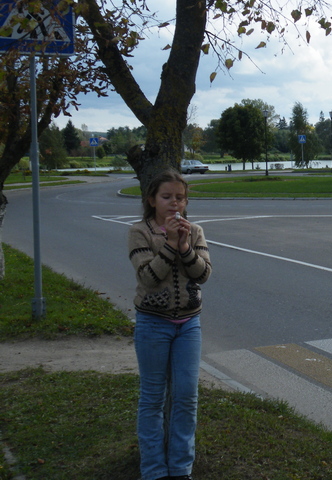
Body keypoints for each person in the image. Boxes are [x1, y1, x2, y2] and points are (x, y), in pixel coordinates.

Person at [128, 169, 212, 480]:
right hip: (153, 324)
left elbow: (203, 274)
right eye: (166, 197)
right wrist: (169, 244)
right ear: (152, 200)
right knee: (153, 397)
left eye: (180, 197)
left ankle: (180, 468)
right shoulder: (139, 232)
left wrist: (185, 246)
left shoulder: (196, 231)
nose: (174, 204)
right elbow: (148, 278)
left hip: (189, 325)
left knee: (187, 395)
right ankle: (153, 470)